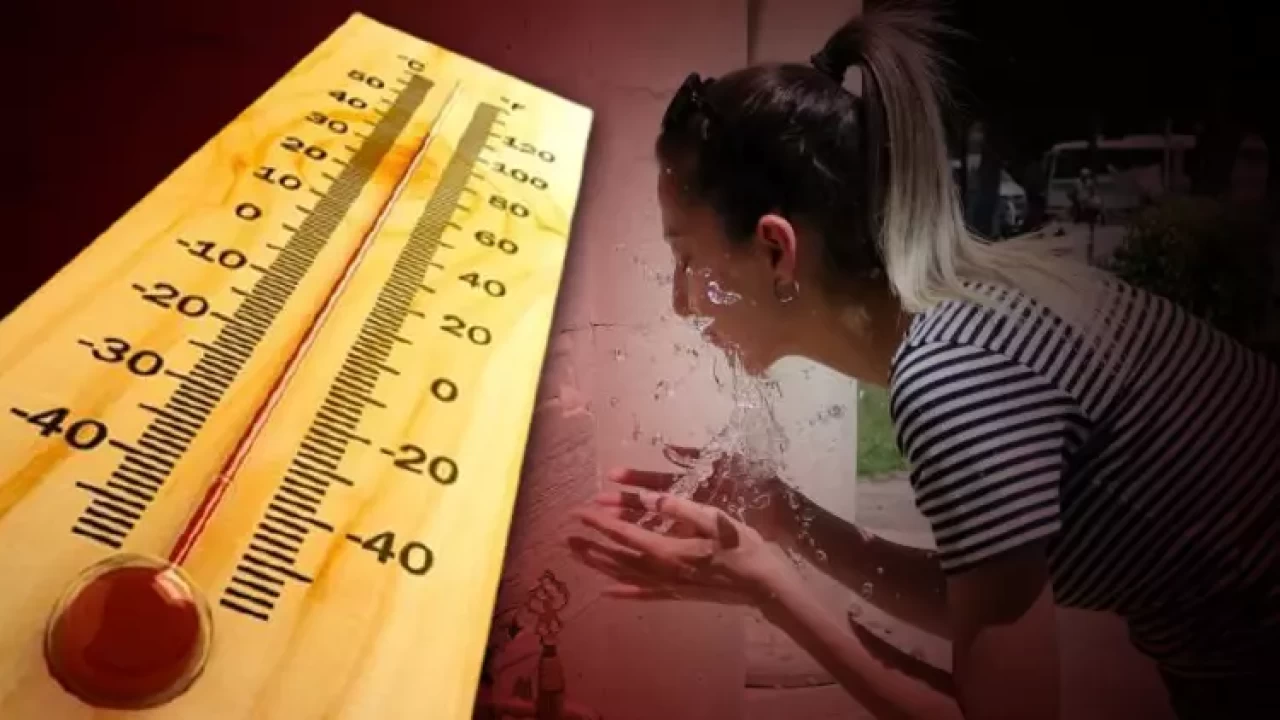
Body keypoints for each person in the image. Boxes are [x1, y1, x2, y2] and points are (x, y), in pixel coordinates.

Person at [568, 4, 1280, 719]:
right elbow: (977, 599)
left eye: (687, 258)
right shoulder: (968, 310)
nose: (681, 302)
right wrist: (784, 516)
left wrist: (766, 587)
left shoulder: (955, 377)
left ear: (777, 249)